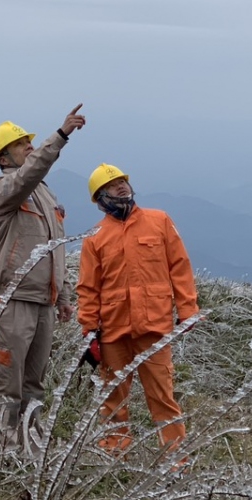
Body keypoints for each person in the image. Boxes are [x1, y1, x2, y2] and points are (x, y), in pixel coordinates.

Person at [0, 104, 85, 451]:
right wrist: (61, 136)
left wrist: (65, 296)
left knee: (33, 387)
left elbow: (56, 248)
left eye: (29, 141)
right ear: (3, 156)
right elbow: (29, 174)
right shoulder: (1, 189)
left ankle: (28, 454)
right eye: (21, 143)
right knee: (4, 386)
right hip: (11, 301)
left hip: (44, 303)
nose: (29, 145)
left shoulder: (45, 194)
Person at [78, 164, 198, 456]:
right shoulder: (94, 237)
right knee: (113, 398)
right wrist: (89, 331)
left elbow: (180, 267)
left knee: (162, 396)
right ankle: (113, 453)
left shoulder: (159, 221)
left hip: (154, 328)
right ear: (100, 198)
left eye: (122, 181)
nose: (120, 186)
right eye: (112, 184)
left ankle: (175, 460)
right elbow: (88, 288)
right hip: (112, 332)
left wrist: (188, 310)